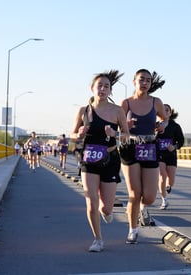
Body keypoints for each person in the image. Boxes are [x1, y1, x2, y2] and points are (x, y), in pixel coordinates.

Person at [70, 70, 129, 252]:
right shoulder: (83, 111)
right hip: (89, 160)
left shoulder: (118, 111)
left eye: (106, 86)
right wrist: (78, 134)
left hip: (110, 158)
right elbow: (72, 135)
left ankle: (107, 212)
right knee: (91, 201)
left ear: (110, 91)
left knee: (106, 207)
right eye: (99, 86)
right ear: (92, 88)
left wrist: (116, 134)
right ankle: (98, 239)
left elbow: (127, 137)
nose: (102, 89)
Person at [119, 69, 167, 244]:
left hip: (150, 146)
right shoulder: (126, 103)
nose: (145, 83)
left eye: (148, 80)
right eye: (141, 80)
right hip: (130, 147)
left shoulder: (156, 102)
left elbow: (165, 118)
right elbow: (117, 125)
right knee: (134, 193)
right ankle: (133, 230)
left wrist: (163, 124)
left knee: (149, 196)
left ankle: (143, 208)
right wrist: (125, 125)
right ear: (134, 82)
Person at [157, 104, 185, 209]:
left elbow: (181, 141)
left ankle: (168, 187)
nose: (165, 112)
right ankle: (164, 200)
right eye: (162, 110)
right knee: (162, 177)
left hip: (171, 155)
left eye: (167, 110)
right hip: (159, 154)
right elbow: (149, 138)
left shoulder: (175, 126)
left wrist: (174, 146)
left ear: (170, 112)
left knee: (171, 180)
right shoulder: (155, 125)